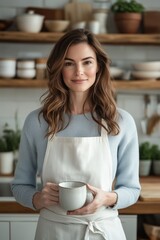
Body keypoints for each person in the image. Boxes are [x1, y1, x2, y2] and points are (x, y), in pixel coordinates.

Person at [11, 28, 141, 240]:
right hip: (52, 231)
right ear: (59, 68)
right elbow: (19, 186)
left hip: (102, 230)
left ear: (98, 66)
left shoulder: (120, 122)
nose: (78, 71)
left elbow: (132, 189)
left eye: (87, 62)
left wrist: (107, 198)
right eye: (69, 63)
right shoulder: (37, 122)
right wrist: (37, 199)